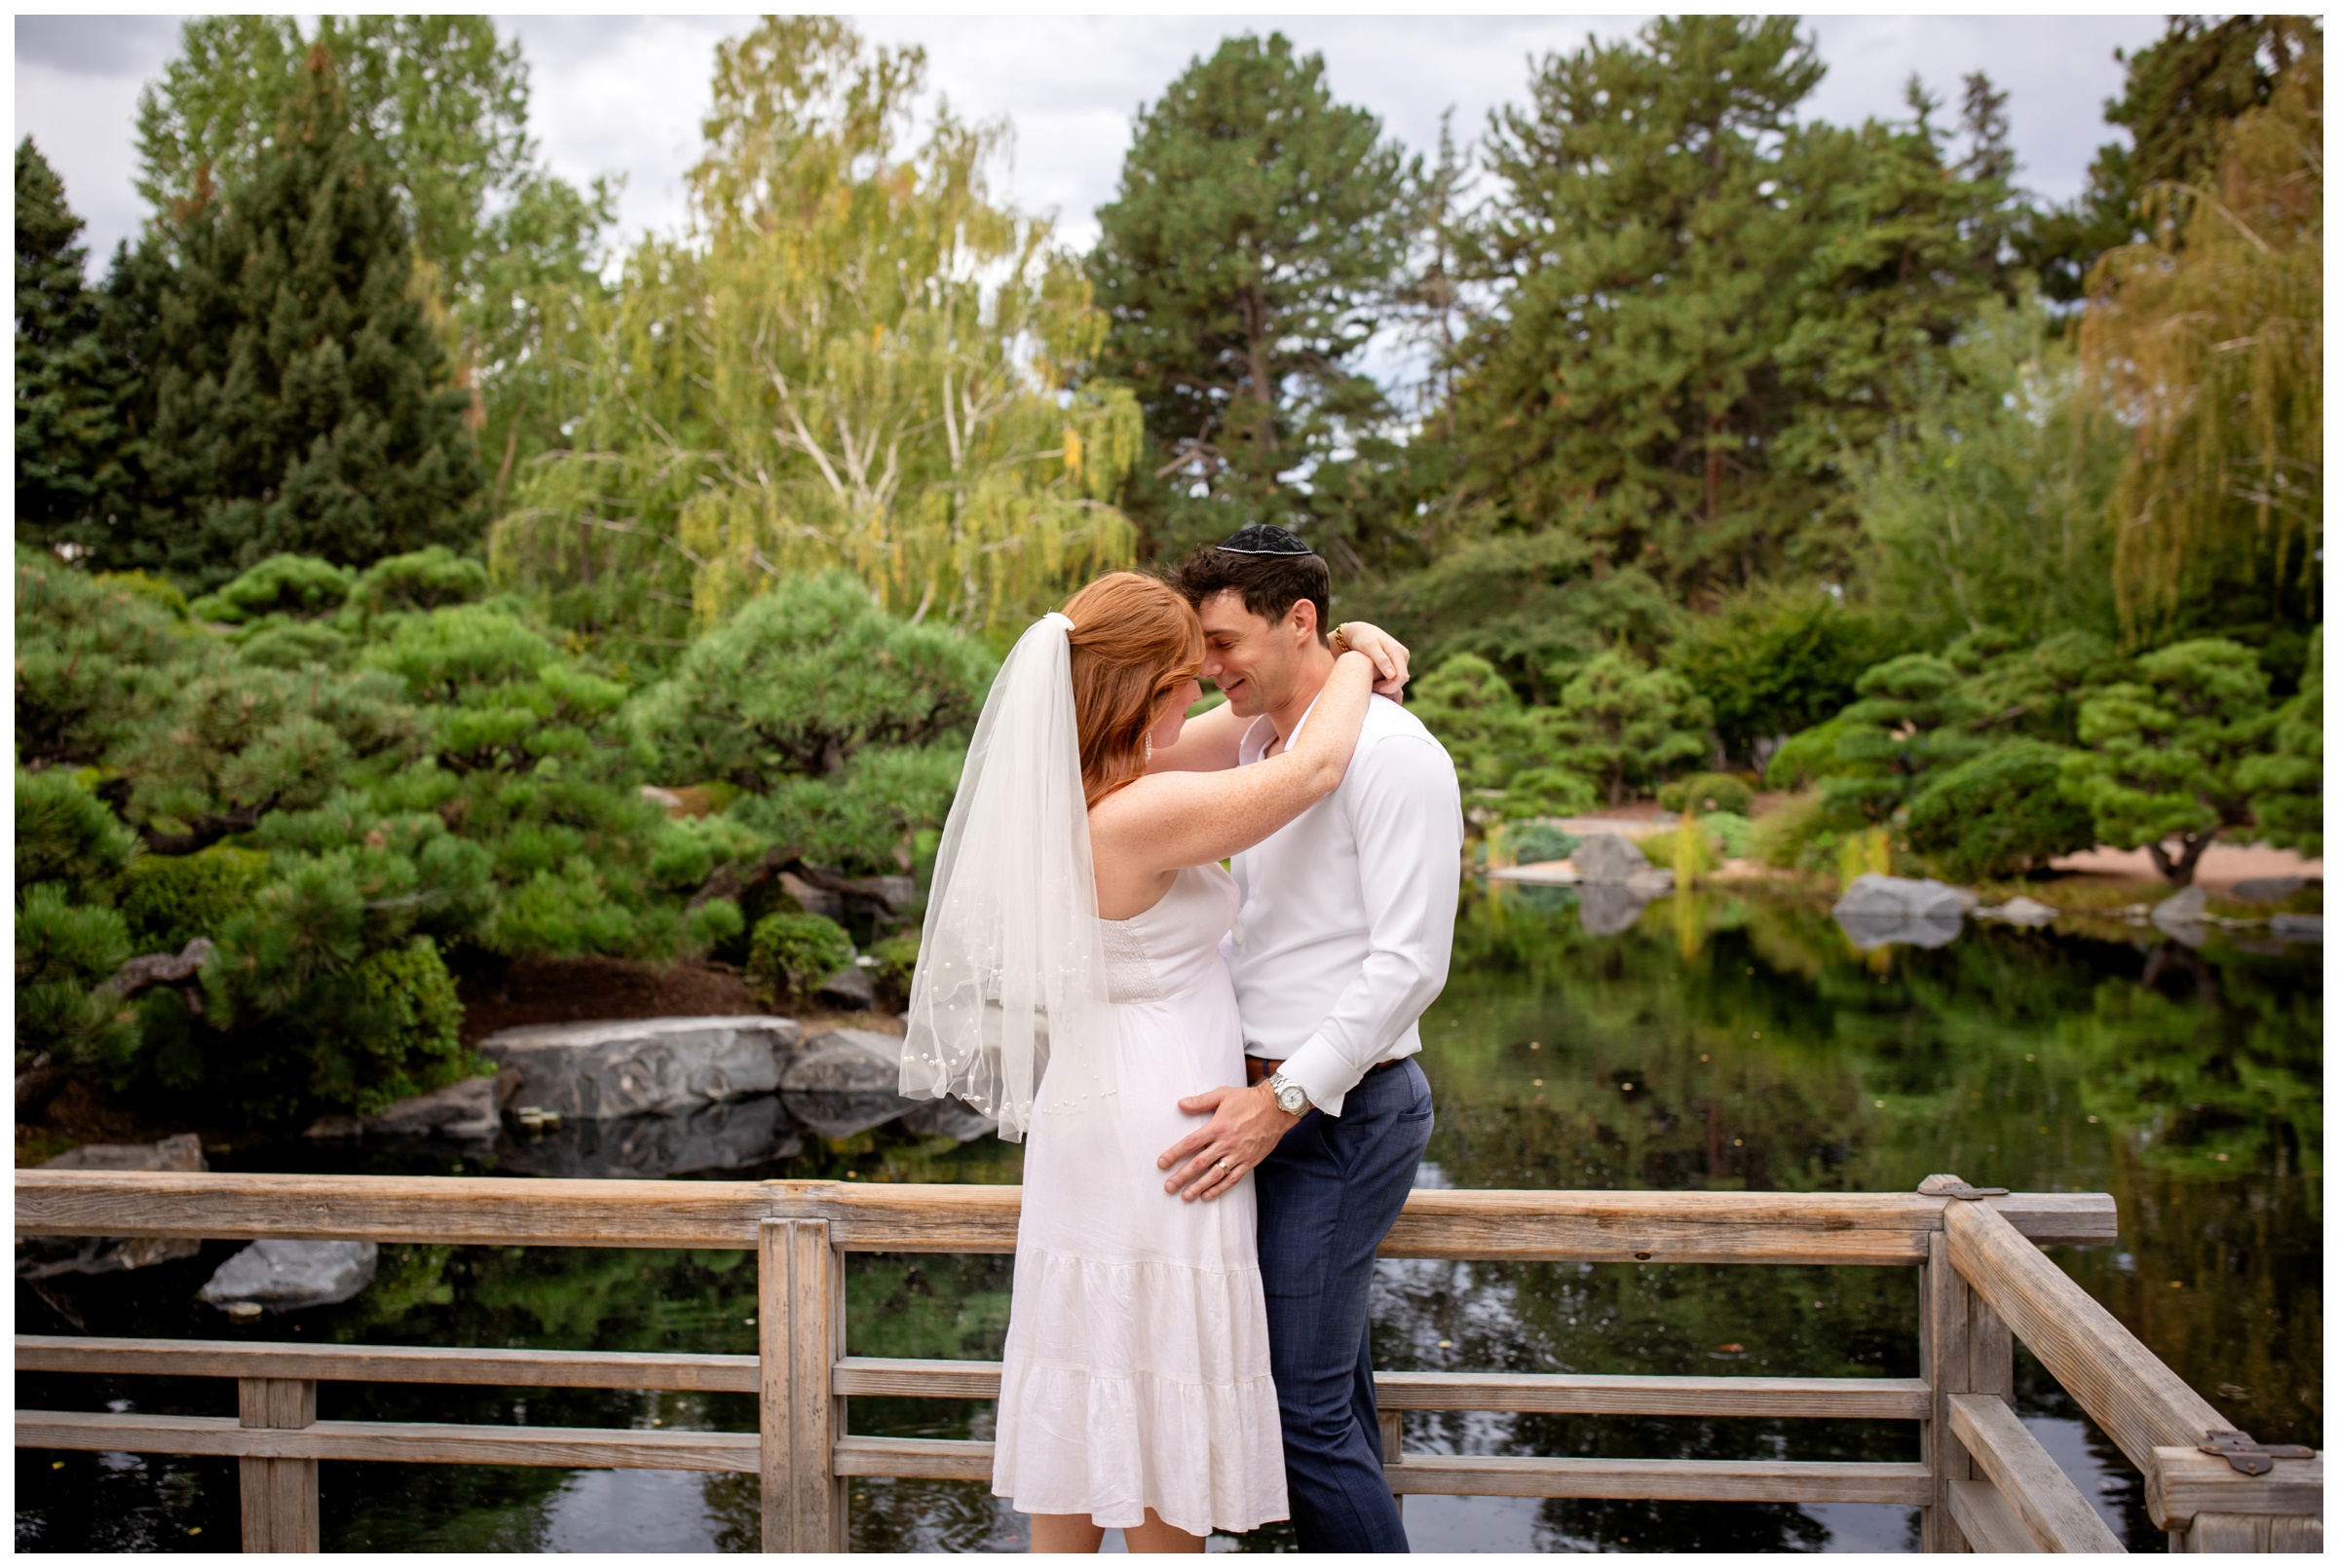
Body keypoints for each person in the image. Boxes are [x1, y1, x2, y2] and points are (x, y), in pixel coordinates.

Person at [898, 570, 1414, 1552]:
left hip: (1090, 1121)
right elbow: (1308, 772)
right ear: (1139, 690)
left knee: (1094, 1392)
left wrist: (1332, 649)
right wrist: (1353, 654)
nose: (1205, 688)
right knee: (1153, 1399)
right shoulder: (1135, 814)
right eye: (1184, 675)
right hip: (1160, 1129)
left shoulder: (1090, 783)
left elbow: (1260, 722)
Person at [1149, 525, 1464, 1553]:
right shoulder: (1256, 742)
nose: (1208, 666)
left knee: (1303, 1412)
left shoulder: (1397, 754)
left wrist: (1282, 1099)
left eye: (1225, 641)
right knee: (1317, 1397)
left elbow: (1410, 963)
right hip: (1261, 1118)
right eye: (1202, 643)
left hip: (1340, 1114)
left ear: (1300, 623)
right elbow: (1140, 744)